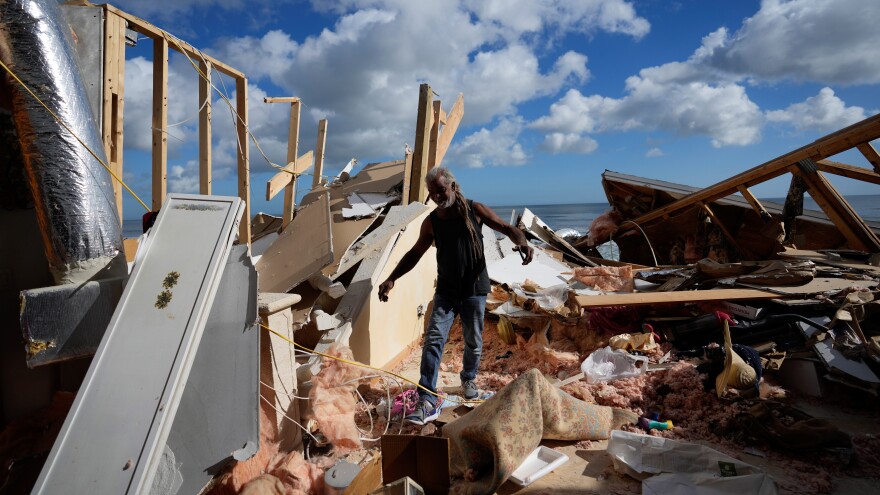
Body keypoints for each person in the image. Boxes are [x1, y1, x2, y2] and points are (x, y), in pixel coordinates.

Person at [377, 167, 533, 425]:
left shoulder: (475, 210)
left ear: (452, 186)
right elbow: (414, 253)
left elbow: (506, 227)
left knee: (473, 340)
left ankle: (469, 379)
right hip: (446, 292)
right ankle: (427, 397)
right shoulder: (432, 222)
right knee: (434, 340)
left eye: (441, 190)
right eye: (433, 193)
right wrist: (392, 278)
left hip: (474, 290)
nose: (438, 196)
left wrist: (523, 242)